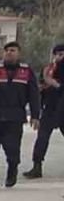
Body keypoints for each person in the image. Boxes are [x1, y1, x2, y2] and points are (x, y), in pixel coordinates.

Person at [0, 42, 41, 191]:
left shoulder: (26, 71)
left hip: (14, 116)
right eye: (7, 51)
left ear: (19, 53)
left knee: (12, 149)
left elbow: (33, 94)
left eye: (13, 50)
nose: (9, 53)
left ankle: (12, 170)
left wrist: (35, 115)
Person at [26, 44, 64, 179]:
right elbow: (42, 85)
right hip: (50, 108)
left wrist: (54, 83)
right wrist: (43, 87)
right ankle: (37, 166)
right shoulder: (49, 68)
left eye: (62, 54)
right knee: (42, 137)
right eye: (57, 54)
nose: (59, 57)